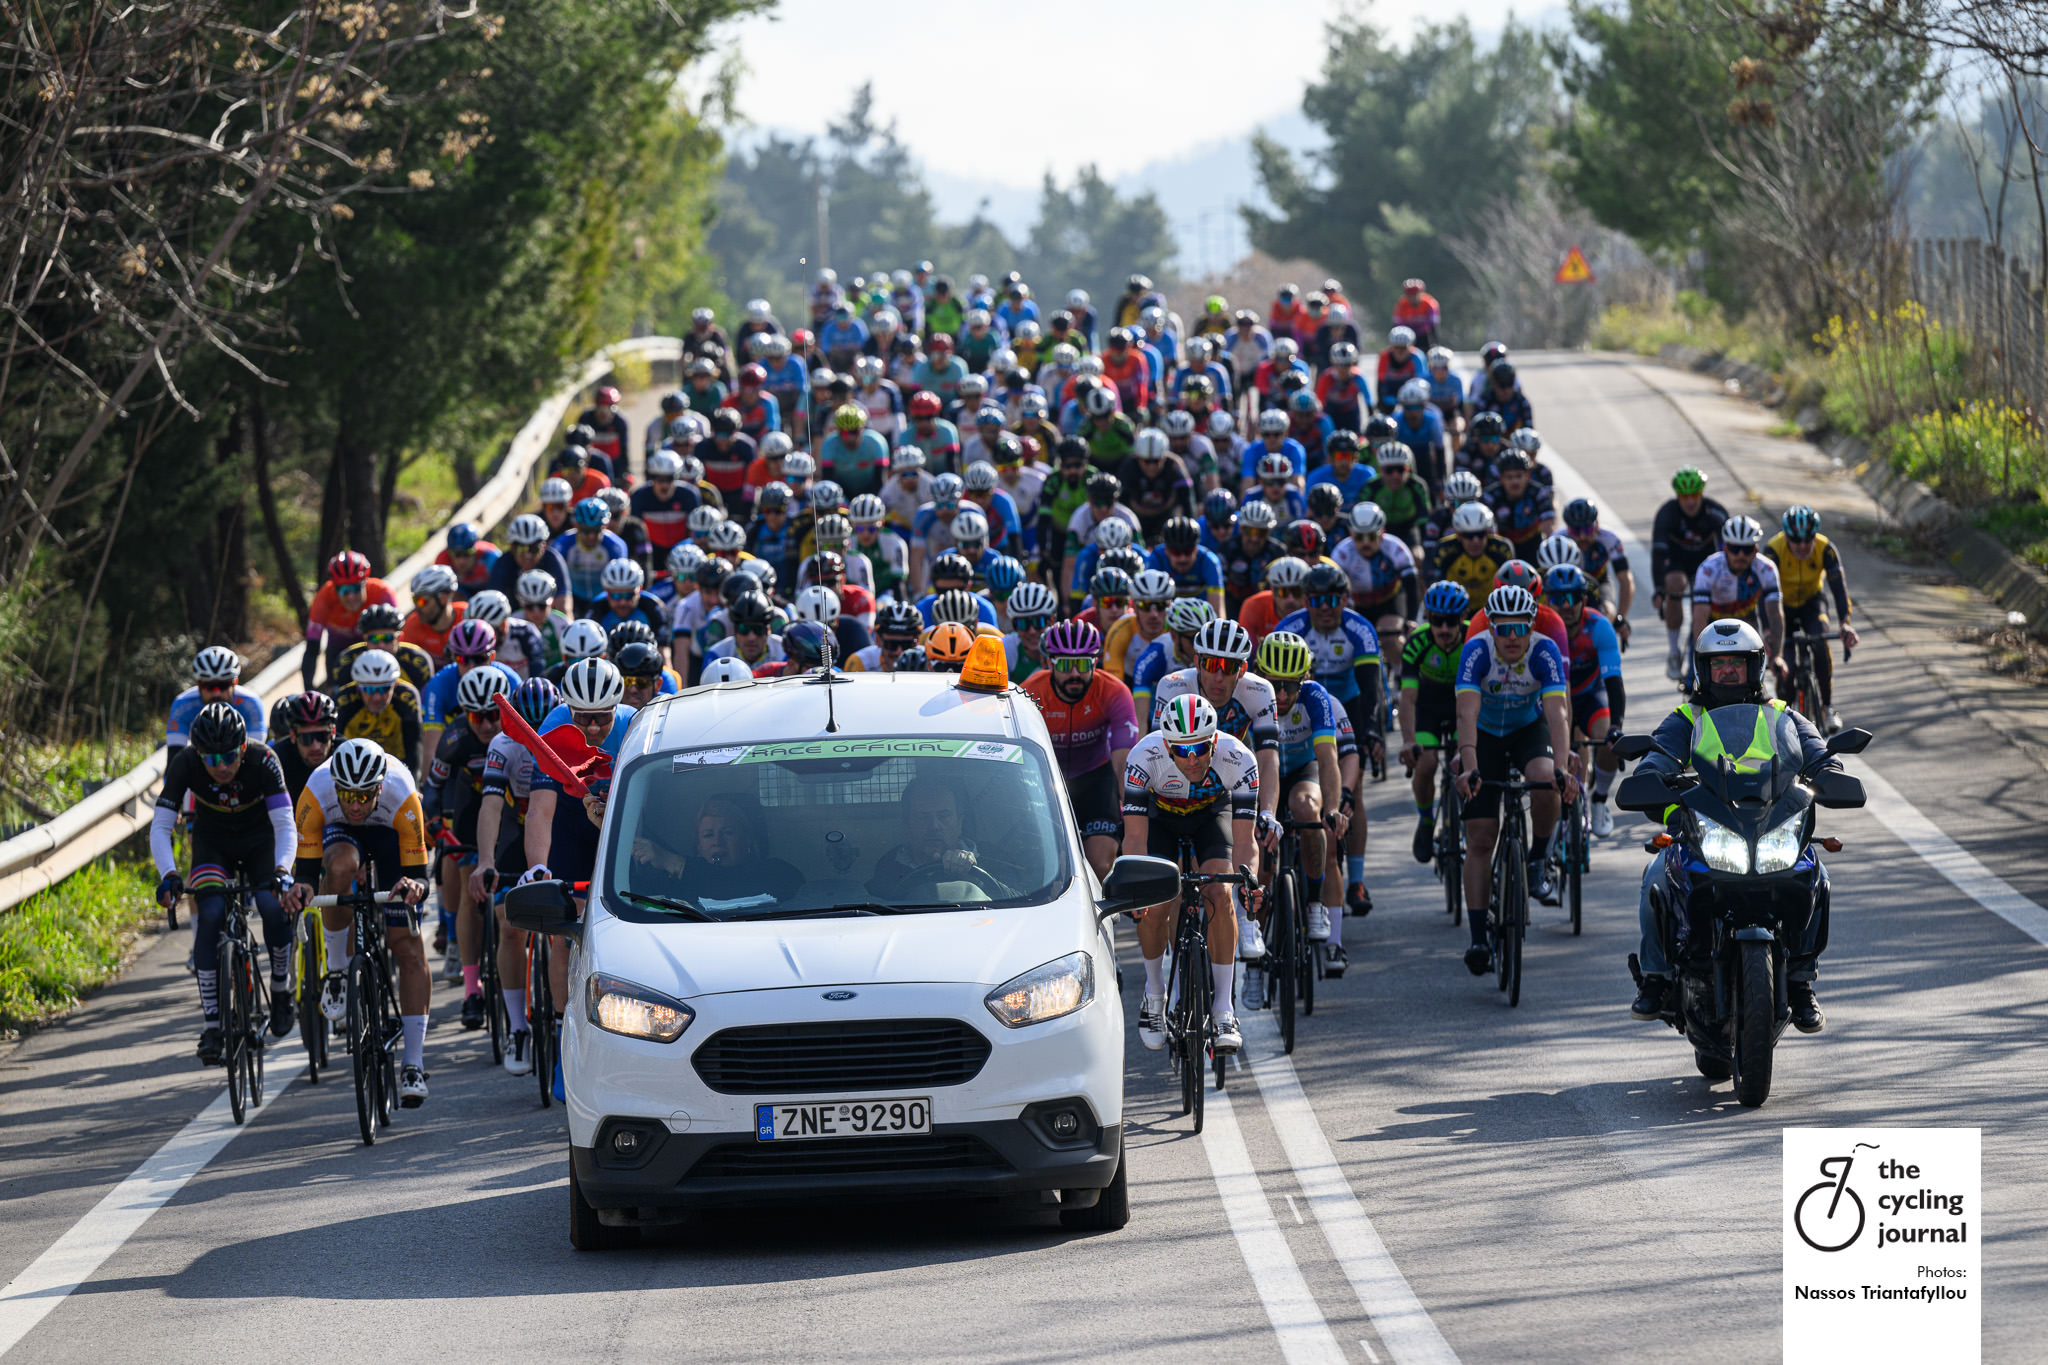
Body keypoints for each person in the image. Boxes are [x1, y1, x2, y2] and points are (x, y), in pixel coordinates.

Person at [1629, 620, 1834, 1032]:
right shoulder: (1687, 716)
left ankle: (1801, 979)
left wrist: (1830, 769)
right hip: (1704, 828)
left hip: (1769, 825)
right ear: (1702, 669)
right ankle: (1655, 979)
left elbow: (1815, 750)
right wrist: (1650, 778)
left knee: (1817, 873)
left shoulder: (1780, 714)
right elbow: (1656, 757)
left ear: (1755, 666)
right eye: (1717, 663)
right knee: (1656, 875)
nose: (1726, 671)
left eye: (1735, 663)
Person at [286, 738, 432, 1106]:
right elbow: (305, 872)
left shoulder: (403, 795)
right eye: (346, 795)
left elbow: (420, 876)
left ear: (379, 787)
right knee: (338, 867)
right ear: (334, 785)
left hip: (390, 838)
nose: (354, 804)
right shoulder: (315, 792)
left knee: (409, 949)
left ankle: (413, 1062)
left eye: (363, 796)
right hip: (342, 838)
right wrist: (300, 889)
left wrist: (413, 886)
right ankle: (336, 971)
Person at [151, 703, 297, 1064]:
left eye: (230, 755)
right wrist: (169, 875)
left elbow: (285, 825)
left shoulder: (264, 760)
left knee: (271, 907)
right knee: (210, 913)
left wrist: (282, 869)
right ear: (197, 752)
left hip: (260, 841)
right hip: (213, 844)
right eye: (211, 758)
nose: (221, 766)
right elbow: (160, 827)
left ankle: (280, 988)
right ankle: (213, 1025)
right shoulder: (184, 763)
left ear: (244, 747)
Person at [1122, 694, 1265, 1056]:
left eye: (1201, 748)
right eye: (1182, 751)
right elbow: (1135, 838)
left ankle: (1223, 1012)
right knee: (1155, 904)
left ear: (1214, 741)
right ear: (1166, 746)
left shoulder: (1239, 758)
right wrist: (1137, 887)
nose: (1193, 759)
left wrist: (1250, 881)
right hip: (1161, 821)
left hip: (1210, 815)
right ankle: (1155, 996)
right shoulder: (1142, 757)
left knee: (1220, 891)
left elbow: (1246, 843)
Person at [1453, 585, 1577, 972]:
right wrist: (1469, 765)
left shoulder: (1544, 651)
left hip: (1527, 729)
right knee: (1480, 837)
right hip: (1485, 736)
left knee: (1544, 780)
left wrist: (1562, 767)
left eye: (1518, 628)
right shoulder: (1476, 651)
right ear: (1490, 628)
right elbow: (1467, 715)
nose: (1511, 637)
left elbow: (1557, 714)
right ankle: (1477, 937)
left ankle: (1538, 859)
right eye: (1502, 629)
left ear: (1530, 626)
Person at [1150, 619, 1284, 958]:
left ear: (1244, 668)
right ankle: (1174, 956)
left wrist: (1266, 812)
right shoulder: (1172, 687)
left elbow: (1268, 759)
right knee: (1180, 880)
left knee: (1241, 853)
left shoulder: (1258, 691)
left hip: (1226, 781)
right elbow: (1158, 756)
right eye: (1211, 665)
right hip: (1178, 785)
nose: (1219, 677)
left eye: (1229, 667)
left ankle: (1246, 918)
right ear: (1197, 662)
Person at [1274, 563, 1384, 914]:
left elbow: (1371, 688)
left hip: (1348, 702)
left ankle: (1358, 880)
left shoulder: (1359, 629)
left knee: (1354, 789)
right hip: (1298, 702)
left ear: (1344, 599)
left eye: (1332, 600)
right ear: (1306, 601)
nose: (1325, 607)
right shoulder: (1290, 628)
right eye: (1317, 600)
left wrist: (1371, 730)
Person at [419, 666, 513, 1029]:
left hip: (510, 812)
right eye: (478, 717)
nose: (488, 725)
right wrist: (433, 822)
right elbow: (433, 788)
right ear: (464, 714)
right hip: (469, 809)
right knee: (469, 889)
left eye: (494, 715)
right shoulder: (455, 737)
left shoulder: (520, 733)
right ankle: (471, 989)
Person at [1253, 631, 1352, 973]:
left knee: (1308, 808)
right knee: (1260, 868)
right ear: (1260, 676)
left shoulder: (1316, 697)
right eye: (1274, 684)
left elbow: (1328, 759)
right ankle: (1254, 955)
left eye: (1291, 686)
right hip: (1260, 775)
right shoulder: (1249, 695)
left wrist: (1334, 809)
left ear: (1305, 680)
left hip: (1300, 770)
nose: (1282, 695)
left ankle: (1314, 901)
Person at [1019, 621, 1138, 881]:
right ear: (1048, 663)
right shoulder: (1030, 693)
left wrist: (1130, 814)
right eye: (1064, 664)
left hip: (1095, 778)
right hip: (1047, 780)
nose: (1074, 673)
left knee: (1101, 862)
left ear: (1095, 663)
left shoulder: (1114, 691)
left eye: (1083, 664)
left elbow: (1122, 763)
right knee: (1049, 866)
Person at [1545, 563, 1625, 838]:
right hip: (1552, 698)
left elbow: (1614, 681)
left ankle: (1600, 798)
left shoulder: (1598, 626)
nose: (1565, 606)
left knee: (1609, 740)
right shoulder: (1541, 628)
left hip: (1590, 694)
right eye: (1557, 599)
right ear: (1547, 600)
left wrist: (1617, 725)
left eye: (1572, 598)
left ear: (1584, 600)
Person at [1765, 505, 1858, 731]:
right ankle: (1783, 714)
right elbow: (1763, 595)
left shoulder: (1826, 549)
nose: (1803, 546)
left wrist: (1845, 624)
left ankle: (1827, 707)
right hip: (1781, 607)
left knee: (1820, 641)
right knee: (1785, 666)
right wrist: (1769, 631)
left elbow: (1838, 589)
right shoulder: (1773, 551)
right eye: (1796, 541)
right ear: (1786, 536)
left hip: (1812, 602)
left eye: (1809, 540)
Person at [1397, 580, 1470, 864]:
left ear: (1462, 618)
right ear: (1427, 618)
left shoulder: (1474, 639)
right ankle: (1426, 821)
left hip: (1461, 706)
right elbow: (1408, 699)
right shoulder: (1417, 643)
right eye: (1436, 621)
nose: (1443, 629)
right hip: (1427, 706)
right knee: (1426, 764)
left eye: (1451, 621)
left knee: (1467, 761)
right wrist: (1408, 740)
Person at [628, 794, 804, 911]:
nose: (717, 842)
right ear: (698, 845)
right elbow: (631, 897)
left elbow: (730, 888)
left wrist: (675, 863)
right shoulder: (677, 886)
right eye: (708, 835)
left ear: (747, 840)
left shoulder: (778, 872)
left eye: (728, 833)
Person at [866, 779, 1005, 900]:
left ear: (960, 823)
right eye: (923, 817)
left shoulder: (993, 858)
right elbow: (873, 909)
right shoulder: (889, 865)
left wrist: (974, 878)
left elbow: (1019, 900)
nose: (934, 826)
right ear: (907, 825)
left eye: (944, 816)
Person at [1689, 515, 1783, 679]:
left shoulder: (1767, 568)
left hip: (1746, 624)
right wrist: (1701, 657)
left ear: (1755, 550)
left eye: (1746, 549)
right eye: (1734, 549)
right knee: (1698, 679)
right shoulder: (1708, 568)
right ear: (1725, 548)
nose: (1740, 555)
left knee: (1753, 678)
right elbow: (1699, 617)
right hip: (1712, 624)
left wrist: (1777, 656)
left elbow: (1775, 614)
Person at [303, 551, 397, 690]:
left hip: (374, 646)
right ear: (334, 587)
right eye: (344, 590)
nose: (351, 596)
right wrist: (308, 689)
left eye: (356, 588)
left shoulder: (382, 593)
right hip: (338, 651)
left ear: (365, 582)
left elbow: (397, 639)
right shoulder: (324, 596)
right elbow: (312, 648)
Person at [334, 647, 423, 775]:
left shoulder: (408, 698)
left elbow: (414, 748)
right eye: (369, 689)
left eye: (384, 689)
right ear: (358, 687)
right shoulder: (343, 700)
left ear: (395, 684)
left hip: (397, 765)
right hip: (355, 766)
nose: (377, 697)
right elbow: (335, 745)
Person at [167, 646, 267, 760]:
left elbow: (254, 757)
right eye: (209, 686)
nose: (216, 693)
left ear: (235, 682)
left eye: (223, 685)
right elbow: (174, 758)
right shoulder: (182, 705)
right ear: (198, 684)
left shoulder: (251, 704)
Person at [1561, 497, 1634, 636]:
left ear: (1597, 525)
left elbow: (1625, 579)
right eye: (1576, 532)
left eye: (1587, 530)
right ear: (1568, 529)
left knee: (1608, 612)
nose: (1582, 536)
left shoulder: (1609, 538)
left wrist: (1620, 617)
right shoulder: (1558, 539)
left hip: (1600, 582)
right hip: (1568, 587)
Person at [270, 690, 337, 805]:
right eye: (306, 739)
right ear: (293, 736)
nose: (316, 746)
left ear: (333, 732)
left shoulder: (346, 753)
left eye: (322, 736)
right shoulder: (277, 760)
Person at [575, 385, 632, 475]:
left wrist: (626, 471)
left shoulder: (619, 422)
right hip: (590, 465)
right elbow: (577, 447)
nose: (603, 413)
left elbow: (623, 449)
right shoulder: (586, 419)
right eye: (600, 408)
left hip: (614, 465)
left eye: (608, 409)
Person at [1392, 278, 1441, 349]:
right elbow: (1397, 324)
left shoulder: (1430, 303)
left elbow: (1432, 324)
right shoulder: (1401, 304)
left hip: (1424, 334)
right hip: (1407, 335)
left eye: (1415, 294)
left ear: (1421, 293)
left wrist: (1435, 344)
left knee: (1430, 339)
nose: (1412, 297)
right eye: (1409, 294)